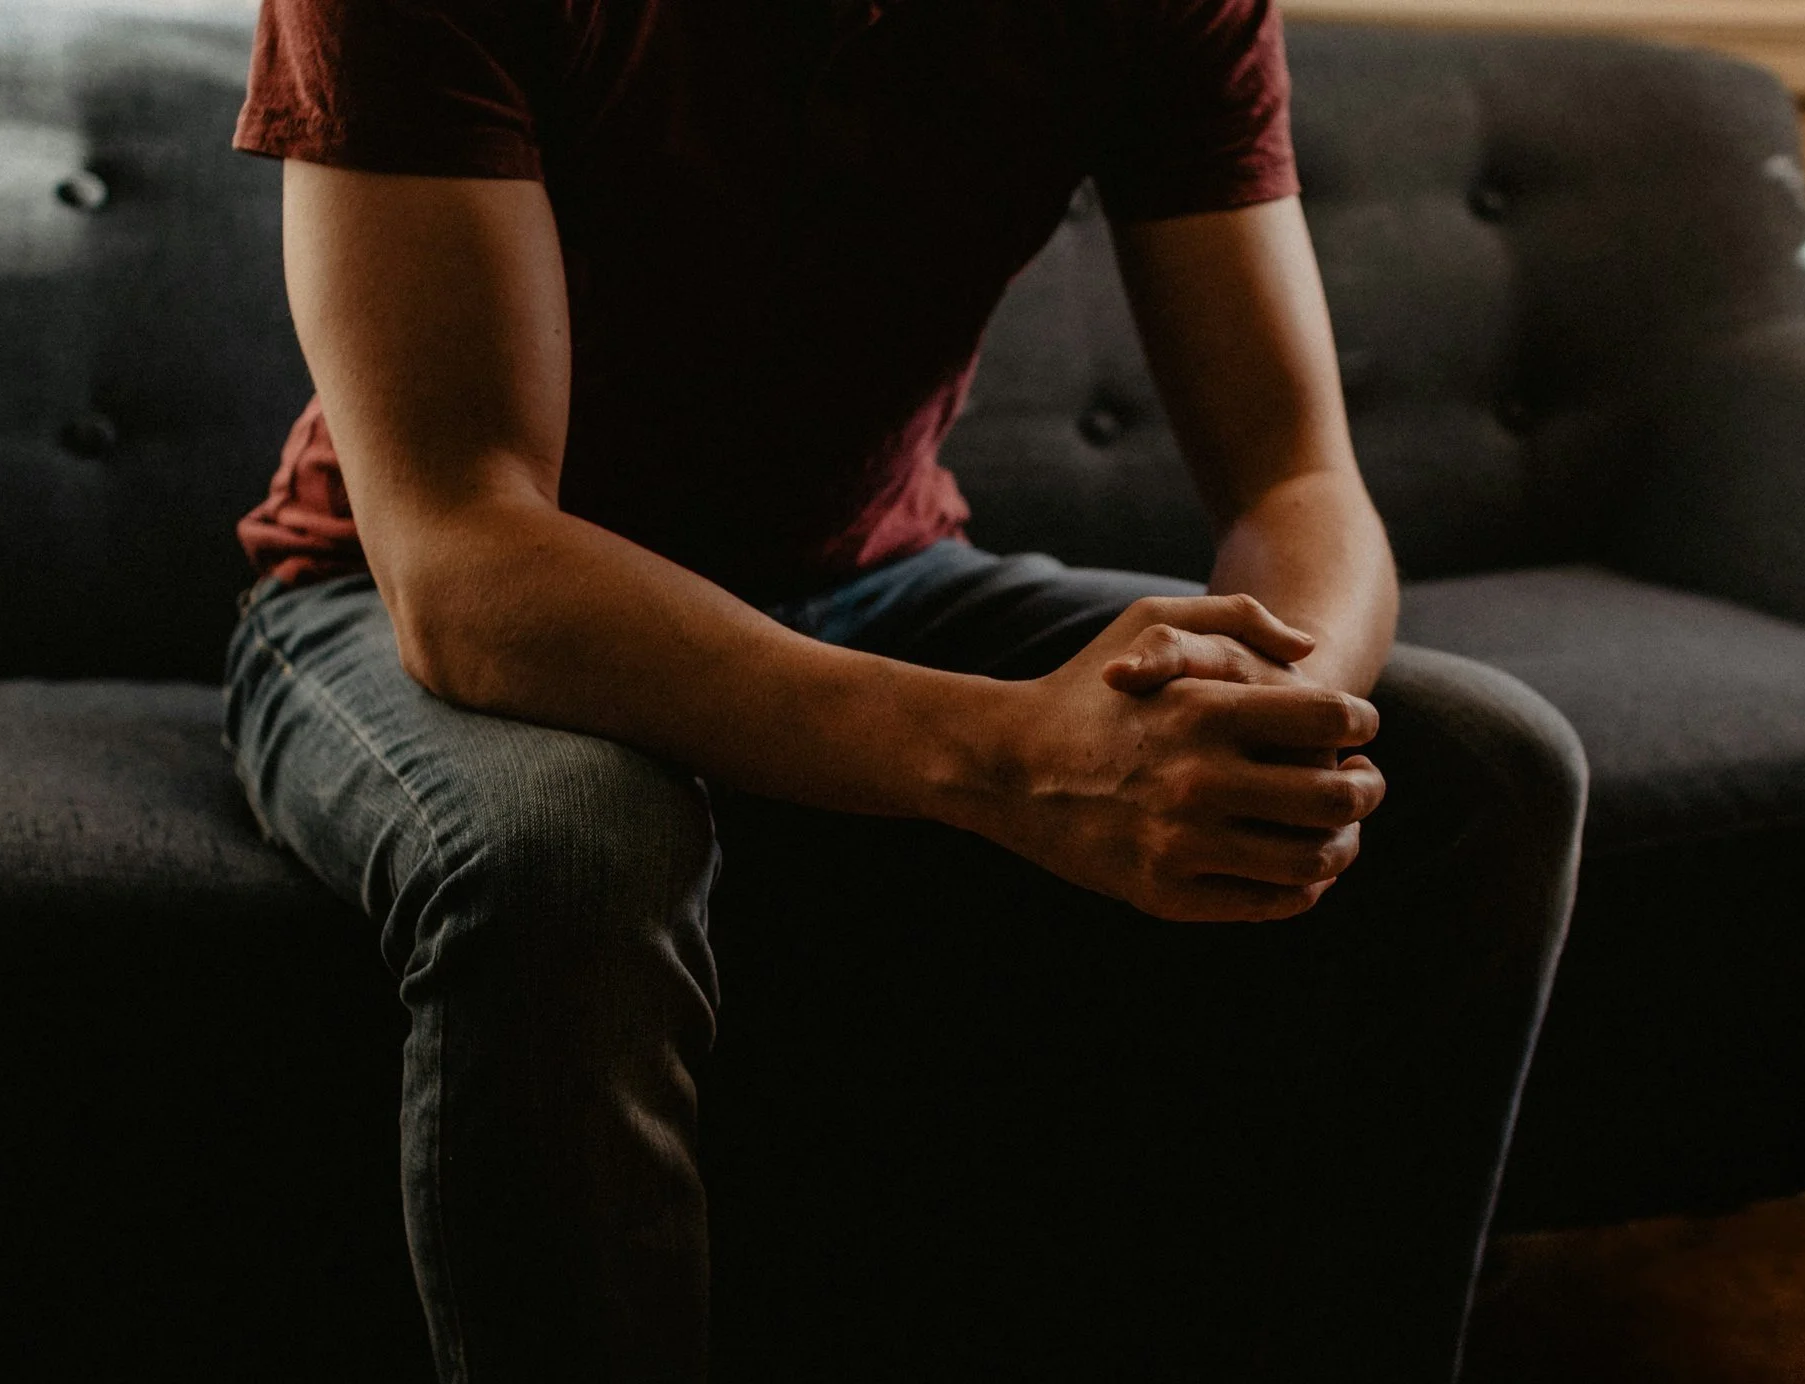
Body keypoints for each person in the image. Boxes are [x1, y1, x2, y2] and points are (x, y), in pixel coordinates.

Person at [220, 0, 1587, 1378]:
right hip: (391, 598)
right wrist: (1010, 757)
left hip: (877, 577)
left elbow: (1296, 476)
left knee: (1480, 769)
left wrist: (1265, 724)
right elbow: (461, 558)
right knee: (574, 851)